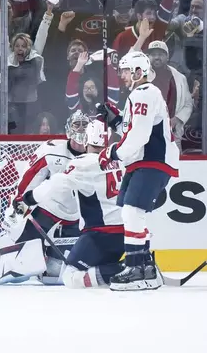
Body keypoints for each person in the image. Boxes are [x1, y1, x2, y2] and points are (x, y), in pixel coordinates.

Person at [97, 51, 179, 291]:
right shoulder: (142, 95)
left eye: (125, 70)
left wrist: (112, 152)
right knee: (130, 213)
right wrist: (114, 119)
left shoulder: (143, 94)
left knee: (133, 211)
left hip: (152, 161)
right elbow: (130, 129)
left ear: (138, 71)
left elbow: (138, 136)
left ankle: (137, 268)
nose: (121, 75)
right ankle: (144, 265)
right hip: (144, 161)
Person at [19, 120, 128, 288]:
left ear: (86, 141)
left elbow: (56, 183)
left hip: (100, 234)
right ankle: (136, 263)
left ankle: (124, 268)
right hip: (127, 231)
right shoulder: (122, 160)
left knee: (69, 276)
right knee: (92, 267)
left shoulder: (82, 162)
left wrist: (29, 198)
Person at [2, 110, 89, 284]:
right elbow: (31, 176)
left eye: (84, 125)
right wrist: (18, 204)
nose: (80, 129)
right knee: (24, 256)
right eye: (76, 124)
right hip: (48, 209)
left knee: (55, 272)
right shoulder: (52, 150)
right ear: (68, 128)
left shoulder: (98, 153)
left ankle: (51, 259)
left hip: (76, 216)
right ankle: (14, 261)